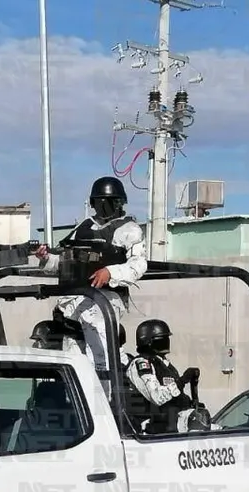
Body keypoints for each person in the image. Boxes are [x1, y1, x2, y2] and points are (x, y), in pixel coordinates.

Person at [32, 176, 148, 392]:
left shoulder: (129, 230)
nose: (105, 208)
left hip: (103, 301)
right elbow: (62, 260)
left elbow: (138, 265)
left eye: (110, 203)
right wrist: (45, 257)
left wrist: (110, 272)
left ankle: (104, 406)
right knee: (74, 363)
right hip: (74, 303)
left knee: (100, 362)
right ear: (93, 204)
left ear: (120, 203)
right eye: (101, 203)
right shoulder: (83, 227)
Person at [126, 319, 207, 433]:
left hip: (170, 426)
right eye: (162, 338)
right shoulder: (141, 364)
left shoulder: (165, 365)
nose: (167, 341)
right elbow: (157, 396)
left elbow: (174, 397)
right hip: (150, 430)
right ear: (148, 341)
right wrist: (183, 380)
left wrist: (191, 404)